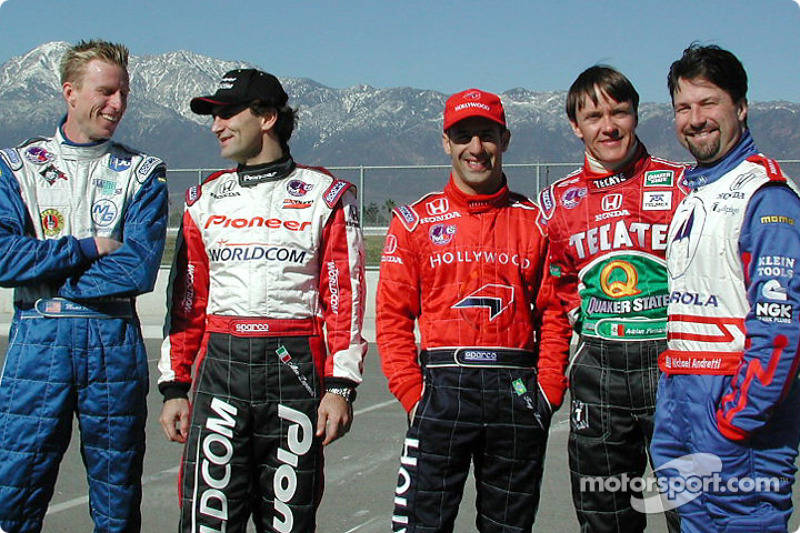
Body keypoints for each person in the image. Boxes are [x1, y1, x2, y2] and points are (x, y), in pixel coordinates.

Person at [158, 68, 367, 533]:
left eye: (228, 113)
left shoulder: (325, 195)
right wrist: (174, 386)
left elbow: (344, 299)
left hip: (294, 371)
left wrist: (340, 387)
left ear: (268, 117)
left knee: (288, 522)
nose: (216, 126)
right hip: (221, 371)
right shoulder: (205, 199)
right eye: (214, 115)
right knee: (205, 520)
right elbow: (187, 303)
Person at [377, 88, 569, 532]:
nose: (475, 148)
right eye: (464, 136)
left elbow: (555, 314)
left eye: (486, 135)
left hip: (518, 393)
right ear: (447, 142)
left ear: (504, 139)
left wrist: (548, 392)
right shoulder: (414, 221)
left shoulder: (536, 221)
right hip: (439, 391)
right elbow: (391, 316)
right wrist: (412, 393)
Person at [0, 39, 168, 532]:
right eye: (106, 91)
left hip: (111, 339)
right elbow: (3, 256)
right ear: (70, 92)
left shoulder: (141, 172)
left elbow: (136, 269)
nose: (116, 104)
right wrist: (86, 248)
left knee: (116, 499)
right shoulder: (18, 167)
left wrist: (47, 276)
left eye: (124, 93)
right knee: (16, 490)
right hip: (38, 339)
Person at [650, 44, 800, 532]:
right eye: (683, 108)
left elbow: (781, 329)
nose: (695, 119)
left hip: (733, 407)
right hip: (682, 399)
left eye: (708, 102)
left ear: (740, 106)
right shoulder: (695, 192)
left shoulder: (766, 195)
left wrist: (735, 419)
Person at [537, 66, 685, 533]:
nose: (609, 126)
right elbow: (555, 300)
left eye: (619, 111)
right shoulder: (558, 201)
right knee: (605, 517)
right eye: (594, 115)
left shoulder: (684, 185)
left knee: (693, 512)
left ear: (636, 115)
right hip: (597, 373)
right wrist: (551, 380)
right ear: (575, 127)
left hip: (675, 369)